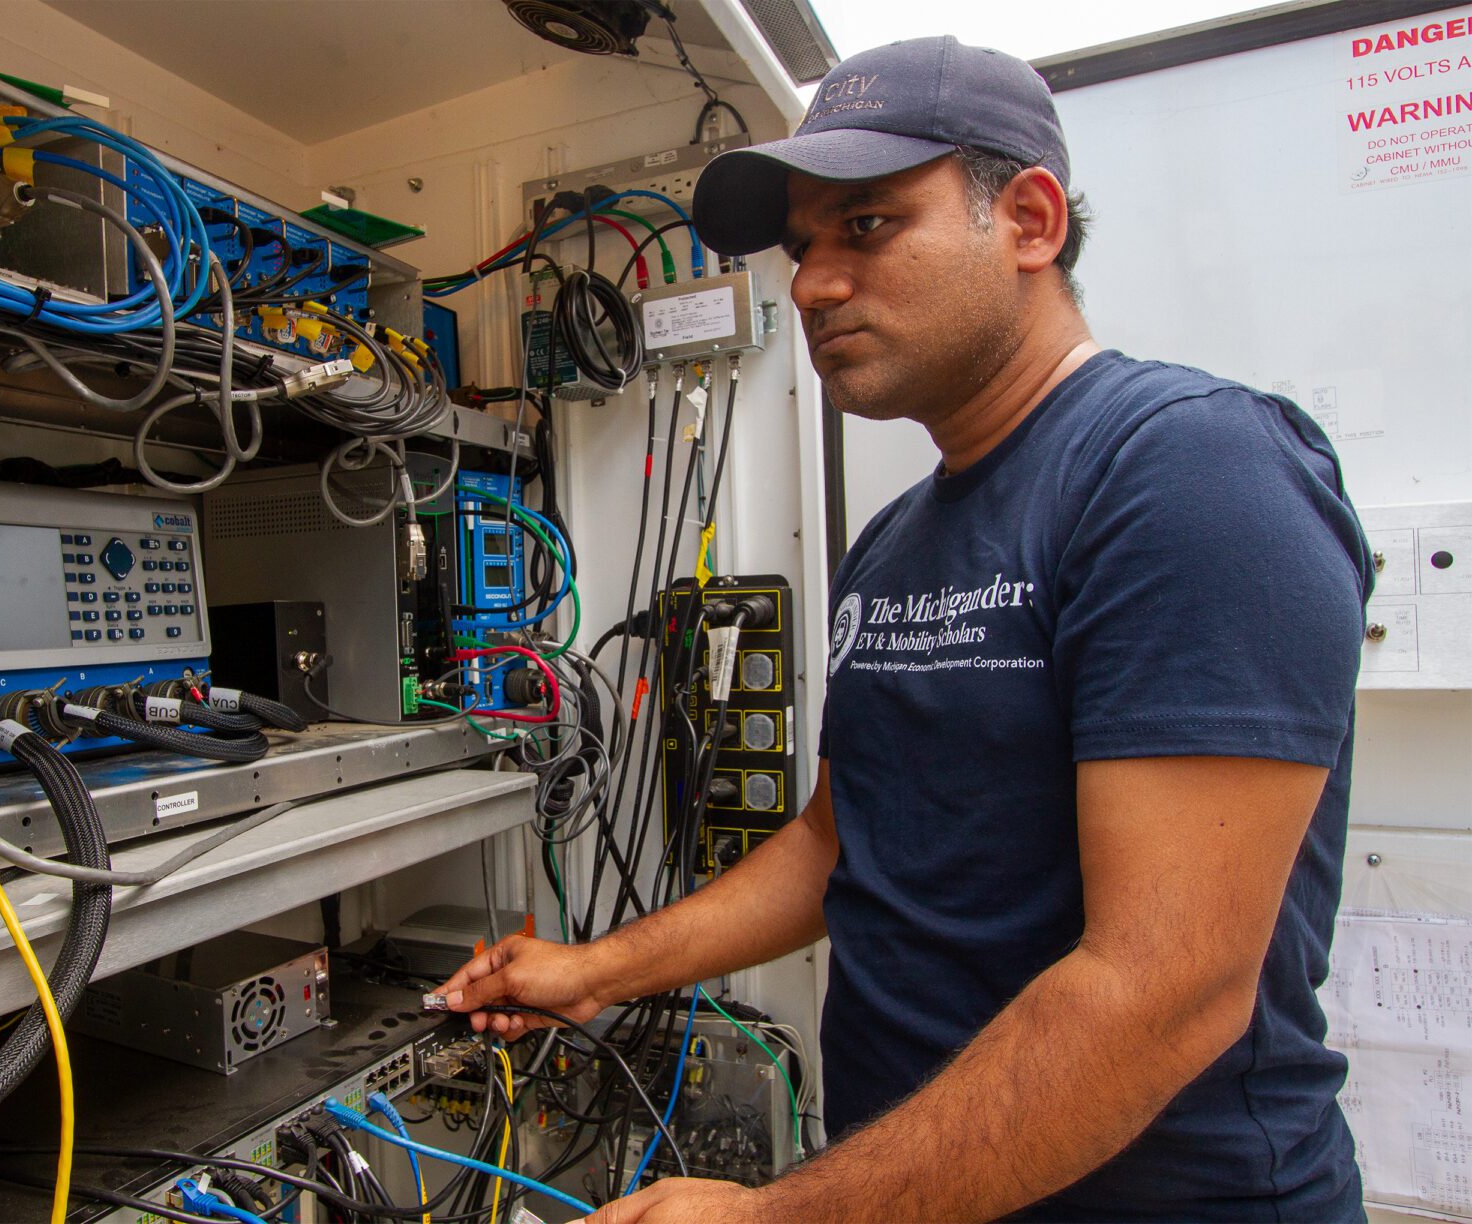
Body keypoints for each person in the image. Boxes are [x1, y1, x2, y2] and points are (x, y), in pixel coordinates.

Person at [441, 35, 1372, 1224]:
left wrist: (766, 1217)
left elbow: (1165, 992)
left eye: (868, 227)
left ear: (1030, 221)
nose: (816, 283)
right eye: (804, 246)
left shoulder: (1187, 468)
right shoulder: (893, 544)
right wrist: (592, 968)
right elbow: (840, 841)